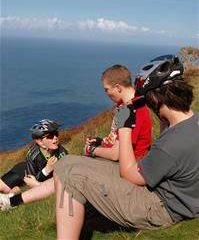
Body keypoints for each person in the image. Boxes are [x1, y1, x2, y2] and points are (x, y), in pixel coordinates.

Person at [52, 54, 198, 239]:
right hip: (174, 194)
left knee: (71, 177)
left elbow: (130, 174)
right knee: (66, 163)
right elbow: (167, 153)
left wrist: (124, 128)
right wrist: (164, 119)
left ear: (155, 99)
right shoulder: (192, 121)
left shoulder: (172, 144)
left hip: (159, 208)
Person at [0, 64, 152, 210]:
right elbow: (120, 140)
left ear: (118, 87)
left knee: (69, 171)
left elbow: (116, 154)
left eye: (107, 89)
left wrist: (92, 150)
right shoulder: (126, 105)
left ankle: (13, 201)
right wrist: (101, 141)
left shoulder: (133, 110)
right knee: (66, 165)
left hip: (125, 167)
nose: (106, 93)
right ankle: (13, 200)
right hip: (120, 161)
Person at [0, 119, 68, 195]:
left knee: (13, 192)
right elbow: (31, 179)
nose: (55, 138)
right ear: (40, 142)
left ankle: (12, 192)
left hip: (35, 179)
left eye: (56, 134)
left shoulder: (62, 151)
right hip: (22, 171)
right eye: (50, 136)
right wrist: (46, 170)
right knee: (2, 187)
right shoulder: (33, 154)